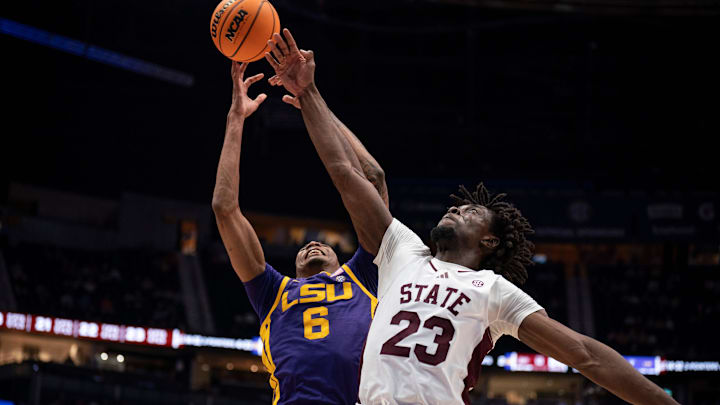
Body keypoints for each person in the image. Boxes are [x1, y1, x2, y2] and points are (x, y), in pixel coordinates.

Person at [264, 28, 680, 405]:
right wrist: (309, 92)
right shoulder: (403, 252)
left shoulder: (494, 291)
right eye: (457, 205)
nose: (455, 207)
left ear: (489, 241)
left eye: (470, 211)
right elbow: (347, 173)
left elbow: (587, 356)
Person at [211, 61, 388, 404]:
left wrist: (314, 103)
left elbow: (373, 179)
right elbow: (224, 208)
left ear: (340, 259)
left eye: (322, 243)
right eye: (306, 245)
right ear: (292, 266)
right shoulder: (271, 291)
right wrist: (236, 118)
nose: (312, 244)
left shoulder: (365, 275)